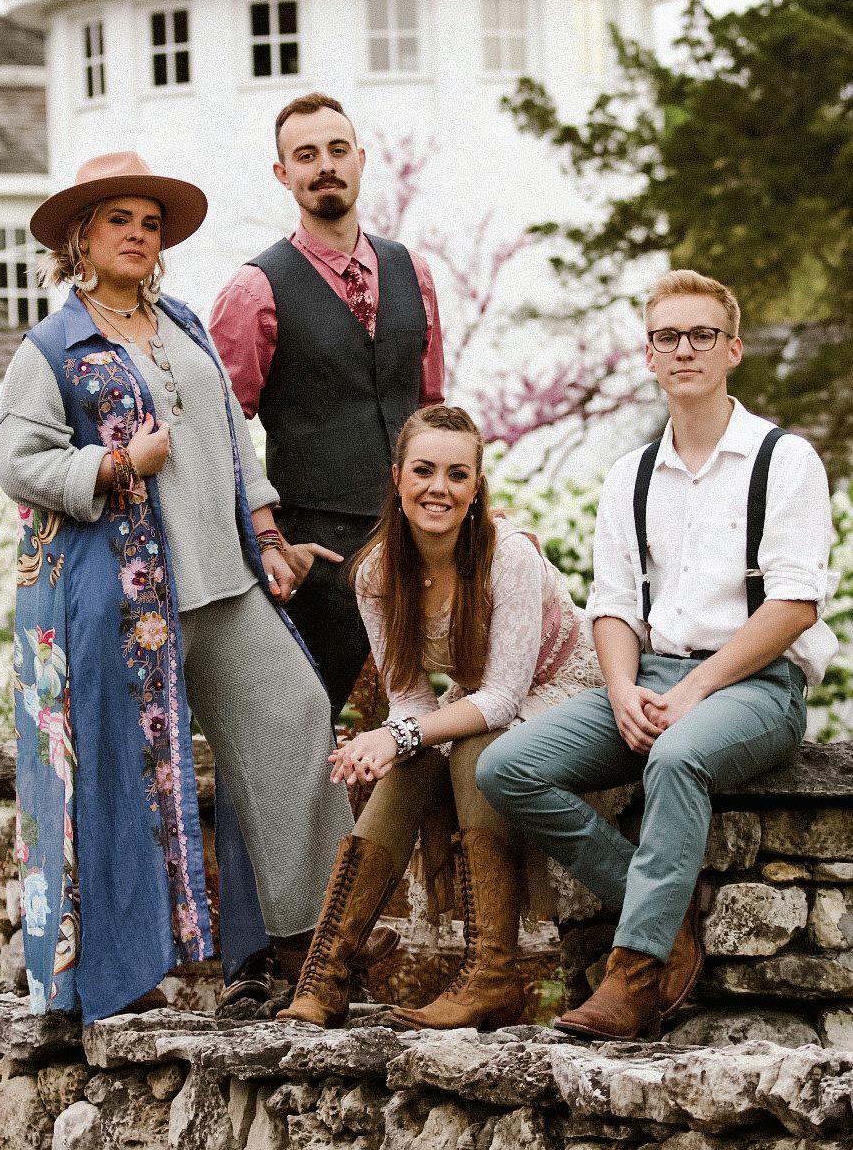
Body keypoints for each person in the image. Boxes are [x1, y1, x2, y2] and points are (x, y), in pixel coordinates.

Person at [0, 152, 355, 1024]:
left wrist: (267, 534)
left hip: (226, 582)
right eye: (119, 220)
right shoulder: (53, 348)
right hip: (122, 603)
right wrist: (116, 464)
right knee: (120, 779)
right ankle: (123, 975)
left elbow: (232, 437)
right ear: (80, 239)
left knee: (296, 715)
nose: (138, 235)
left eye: (150, 224)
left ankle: (314, 948)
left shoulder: (185, 323)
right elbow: (17, 461)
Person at [477, 269, 838, 1041]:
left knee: (675, 757)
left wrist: (697, 689)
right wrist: (619, 690)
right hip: (649, 679)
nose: (684, 349)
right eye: (667, 336)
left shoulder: (784, 460)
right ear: (648, 354)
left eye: (702, 334)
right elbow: (613, 605)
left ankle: (634, 975)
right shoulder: (629, 475)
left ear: (732, 348)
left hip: (756, 686)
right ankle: (664, 917)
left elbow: (795, 604)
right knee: (507, 767)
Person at [209, 92, 444, 997]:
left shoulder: (412, 272)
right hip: (316, 560)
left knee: (441, 730)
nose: (324, 166)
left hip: (414, 549)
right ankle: (255, 959)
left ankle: (394, 949)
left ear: (360, 158)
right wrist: (266, 535)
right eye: (305, 155)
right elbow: (220, 434)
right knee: (280, 743)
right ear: (283, 175)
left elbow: (433, 414)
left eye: (337, 148)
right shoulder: (256, 289)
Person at [276, 404, 604, 1030]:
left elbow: (503, 698)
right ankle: (327, 973)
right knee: (411, 762)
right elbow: (411, 699)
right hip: (484, 698)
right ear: (397, 477)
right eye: (424, 471)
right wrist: (395, 742)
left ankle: (491, 975)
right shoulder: (376, 574)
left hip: (566, 686)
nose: (439, 488)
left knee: (476, 751)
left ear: (477, 487)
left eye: (458, 475)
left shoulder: (507, 557)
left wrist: (396, 734)